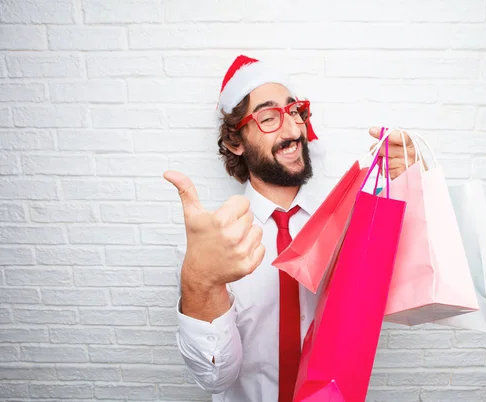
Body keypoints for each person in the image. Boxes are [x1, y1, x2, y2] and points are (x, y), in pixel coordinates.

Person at [163, 55, 417, 402]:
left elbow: (408, 301)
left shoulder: (347, 222)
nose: (293, 130)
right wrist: (200, 283)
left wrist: (410, 189)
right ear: (236, 142)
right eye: (269, 117)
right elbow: (215, 378)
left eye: (295, 112)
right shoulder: (213, 244)